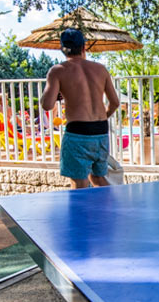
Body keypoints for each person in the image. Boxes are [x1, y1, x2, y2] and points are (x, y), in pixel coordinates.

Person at [41, 28, 120, 188]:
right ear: (84, 47)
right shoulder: (100, 69)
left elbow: (47, 105)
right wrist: (103, 117)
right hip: (100, 131)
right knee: (98, 178)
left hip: (78, 132)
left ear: (62, 49)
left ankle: (81, 214)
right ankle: (114, 210)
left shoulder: (57, 71)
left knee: (79, 184)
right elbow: (115, 103)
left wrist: (56, 93)